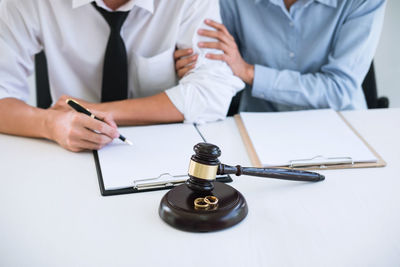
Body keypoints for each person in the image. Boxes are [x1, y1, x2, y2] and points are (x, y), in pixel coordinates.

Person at [0, 0, 244, 152]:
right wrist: (50, 123)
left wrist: (93, 110)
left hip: (162, 147)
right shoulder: (27, 3)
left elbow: (213, 92)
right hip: (68, 148)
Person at [174, 0, 386, 112]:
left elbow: (339, 89)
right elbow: (216, 59)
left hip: (341, 121)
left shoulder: (362, 1)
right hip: (260, 122)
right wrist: (198, 63)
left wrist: (249, 72)